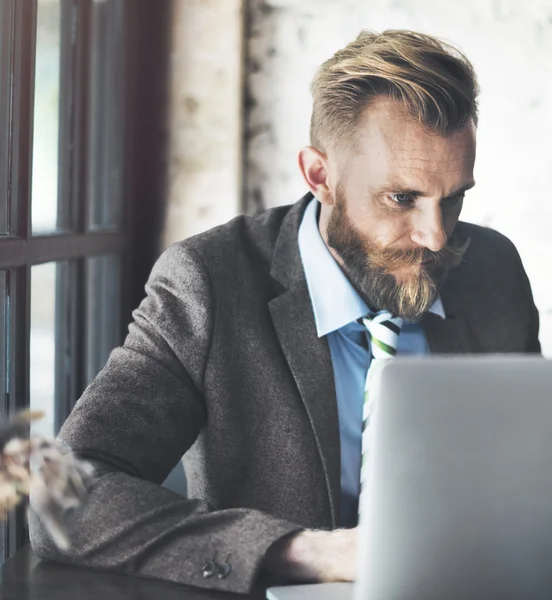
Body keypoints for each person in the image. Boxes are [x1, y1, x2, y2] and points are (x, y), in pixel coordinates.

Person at [29, 29, 540, 594]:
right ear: (320, 176)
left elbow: (528, 472)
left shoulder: (493, 269)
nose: (436, 237)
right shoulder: (206, 283)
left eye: (453, 197)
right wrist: (308, 552)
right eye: (402, 198)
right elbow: (63, 497)